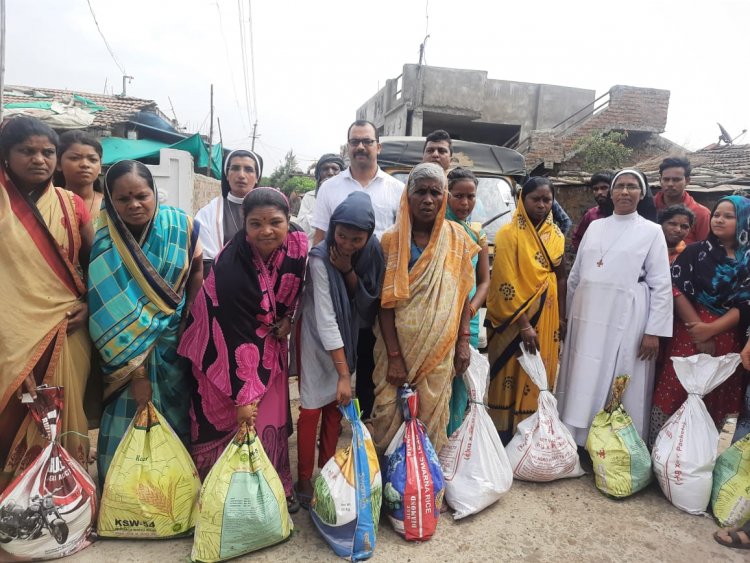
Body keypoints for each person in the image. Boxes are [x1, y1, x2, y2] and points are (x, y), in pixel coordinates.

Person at [178, 187, 307, 513]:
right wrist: (244, 395)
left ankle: (272, 489)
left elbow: (290, 293)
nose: (266, 231)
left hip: (270, 343)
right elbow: (235, 335)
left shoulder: (297, 245)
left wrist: (287, 319)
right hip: (221, 347)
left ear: (288, 220)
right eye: (256, 223)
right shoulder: (232, 268)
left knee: (269, 420)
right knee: (233, 417)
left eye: (275, 222)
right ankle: (222, 497)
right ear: (244, 225)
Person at [88, 159, 203, 480]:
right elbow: (105, 307)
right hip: (124, 356)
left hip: (173, 344)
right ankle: (119, 490)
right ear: (110, 199)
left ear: (155, 193)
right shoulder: (103, 239)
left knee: (176, 413)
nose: (135, 205)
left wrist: (190, 314)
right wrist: (137, 373)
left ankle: (176, 485)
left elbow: (196, 269)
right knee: (128, 413)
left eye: (142, 195)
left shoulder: (180, 225)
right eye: (123, 199)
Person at [0, 116, 93, 492]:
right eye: (27, 151)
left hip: (65, 329)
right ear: (6, 155)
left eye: (48, 152)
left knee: (61, 415)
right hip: (9, 332)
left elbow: (95, 266)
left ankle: (62, 498)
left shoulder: (72, 206)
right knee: (9, 416)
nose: (39, 159)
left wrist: (89, 305)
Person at [556, 169, 673, 446]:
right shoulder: (595, 226)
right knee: (581, 374)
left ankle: (610, 444)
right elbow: (575, 276)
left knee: (617, 374)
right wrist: (567, 317)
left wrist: (653, 331)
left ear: (642, 193)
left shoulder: (652, 231)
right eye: (619, 186)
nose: (624, 192)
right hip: (586, 318)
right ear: (611, 192)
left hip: (626, 318)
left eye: (631, 187)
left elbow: (661, 285)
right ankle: (576, 438)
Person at [369, 163, 479, 454]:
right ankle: (390, 487)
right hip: (397, 350)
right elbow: (385, 303)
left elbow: (463, 294)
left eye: (435, 192)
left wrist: (464, 341)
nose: (428, 199)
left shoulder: (457, 238)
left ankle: (426, 487)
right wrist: (394, 356)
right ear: (408, 195)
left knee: (431, 414)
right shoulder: (391, 240)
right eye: (420, 192)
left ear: (444, 197)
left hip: (439, 350)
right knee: (388, 412)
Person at [294, 191, 384, 506]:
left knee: (335, 407)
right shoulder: (319, 258)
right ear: (331, 228)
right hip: (318, 342)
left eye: (356, 239)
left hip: (346, 342)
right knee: (310, 407)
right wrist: (344, 373)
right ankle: (304, 475)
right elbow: (327, 319)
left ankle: (328, 469)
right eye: (341, 235)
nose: (346, 244)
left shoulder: (371, 252)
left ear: (369, 236)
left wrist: (347, 269)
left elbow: (368, 301)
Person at [311, 120, 404, 420]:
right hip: (335, 292)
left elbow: (400, 246)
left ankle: (366, 426)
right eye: (355, 142)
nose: (361, 147)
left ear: (379, 146)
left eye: (367, 141)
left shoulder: (397, 190)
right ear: (348, 146)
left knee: (370, 363)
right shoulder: (330, 187)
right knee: (335, 361)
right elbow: (320, 240)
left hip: (378, 295)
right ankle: (334, 425)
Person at [649, 196, 750, 445]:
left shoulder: (747, 262)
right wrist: (698, 329)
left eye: (729, 216)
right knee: (675, 386)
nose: (719, 219)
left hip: (727, 337)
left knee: (713, 392)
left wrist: (711, 329)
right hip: (688, 332)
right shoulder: (695, 252)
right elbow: (675, 287)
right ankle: (659, 450)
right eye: (717, 214)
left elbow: (746, 303)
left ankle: (697, 456)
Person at [485, 177, 566, 443]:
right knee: (511, 369)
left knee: (539, 369)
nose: (542, 205)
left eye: (547, 199)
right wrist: (524, 325)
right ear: (523, 200)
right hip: (515, 319)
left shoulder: (556, 237)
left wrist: (562, 315)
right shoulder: (509, 235)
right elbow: (504, 283)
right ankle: (504, 432)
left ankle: (532, 431)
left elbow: (561, 276)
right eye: (536, 199)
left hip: (549, 314)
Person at [444, 167, 491, 435]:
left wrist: (471, 309)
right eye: (458, 196)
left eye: (470, 196)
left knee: (461, 387)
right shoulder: (438, 229)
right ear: (447, 195)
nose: (464, 203)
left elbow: (484, 281)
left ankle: (453, 446)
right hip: (439, 318)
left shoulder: (476, 232)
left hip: (468, 321)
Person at [194, 149, 263, 276]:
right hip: (219, 284)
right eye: (235, 168)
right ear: (227, 174)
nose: (241, 175)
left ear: (257, 177)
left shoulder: (268, 212)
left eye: (248, 169)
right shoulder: (207, 214)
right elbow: (205, 261)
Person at [654, 156, 710, 245]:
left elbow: (706, 250)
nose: (670, 184)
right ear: (660, 180)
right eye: (666, 179)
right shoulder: (647, 207)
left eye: (676, 180)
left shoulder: (701, 214)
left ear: (687, 181)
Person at [295, 153, 345, 243]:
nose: (330, 173)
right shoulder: (309, 197)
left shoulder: (349, 197)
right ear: (318, 175)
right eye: (325, 169)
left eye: (335, 169)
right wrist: (323, 197)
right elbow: (302, 230)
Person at [54, 130, 104, 221]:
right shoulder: (48, 204)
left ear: (100, 166)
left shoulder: (111, 204)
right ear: (58, 164)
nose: (85, 164)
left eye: (92, 159)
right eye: (74, 158)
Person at [571, 170, 614, 250]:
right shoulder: (591, 215)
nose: (599, 192)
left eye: (604, 188)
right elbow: (577, 237)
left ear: (613, 189)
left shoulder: (623, 215)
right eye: (595, 189)